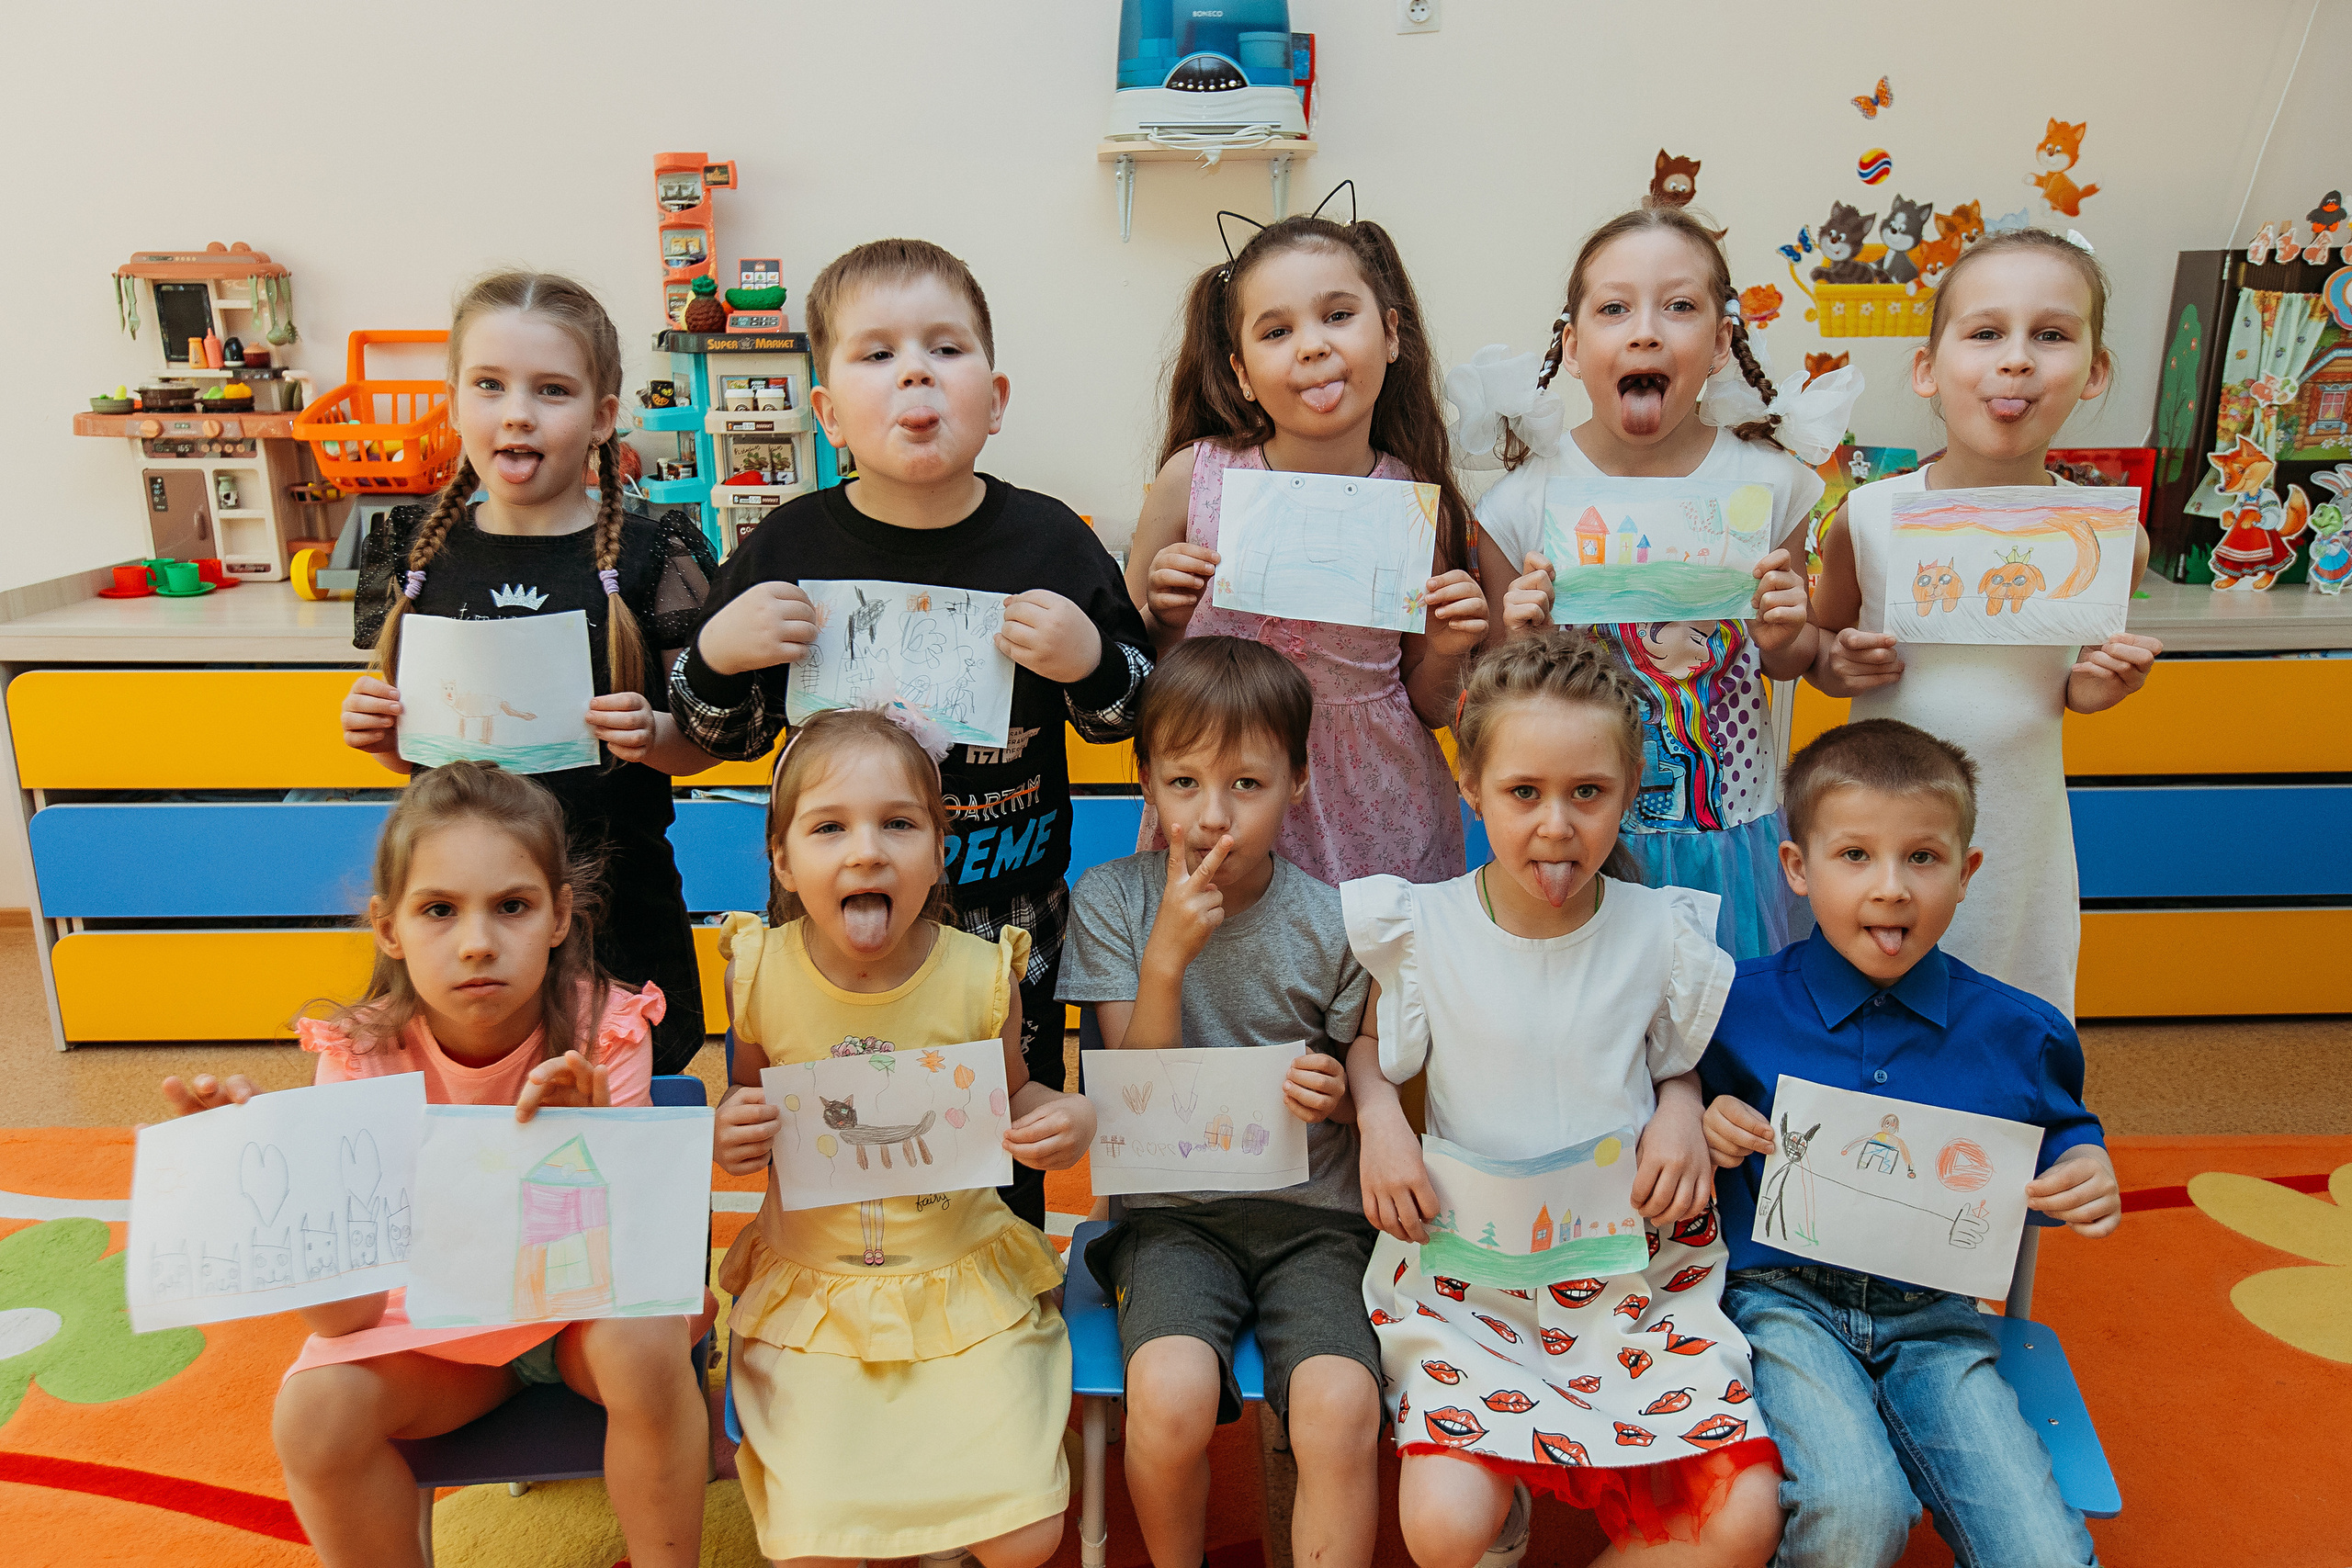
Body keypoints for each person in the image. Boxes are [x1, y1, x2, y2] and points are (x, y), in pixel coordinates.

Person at [672, 238, 1152, 1228]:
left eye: (946, 347)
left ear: (996, 395)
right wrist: (719, 653)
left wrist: (1089, 659)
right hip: (829, 924)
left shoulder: (1052, 541)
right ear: (828, 414)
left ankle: (1002, 1285)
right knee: (832, 1125)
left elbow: (1134, 714)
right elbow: (716, 729)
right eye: (876, 353)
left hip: (1004, 913)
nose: (916, 372)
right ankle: (833, 1288)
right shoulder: (786, 545)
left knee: (998, 1129)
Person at [160, 761, 707, 1568]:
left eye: (512, 906)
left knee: (645, 1346)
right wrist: (275, 1180)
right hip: (440, 1338)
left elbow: (626, 1275)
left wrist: (592, 1148)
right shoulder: (359, 1052)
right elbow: (343, 1321)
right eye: (439, 910)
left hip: (581, 1319)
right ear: (389, 927)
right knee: (313, 1412)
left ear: (561, 915)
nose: (478, 941)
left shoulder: (607, 1029)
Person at [1348, 629, 1781, 1568]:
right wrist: (1380, 1123)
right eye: (1523, 793)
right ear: (1469, 790)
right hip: (1470, 1284)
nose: (1556, 826)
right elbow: (1370, 1054)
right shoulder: (1420, 928)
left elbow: (1672, 1059)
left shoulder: (1658, 932)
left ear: (1628, 793)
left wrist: (1678, 1106)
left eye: (1587, 793)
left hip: (1633, 1280)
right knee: (1441, 1531)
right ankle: (1501, 1510)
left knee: (1741, 1525)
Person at [1699, 718, 2120, 1567]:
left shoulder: (2020, 1032)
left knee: (2041, 1553)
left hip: (1937, 1316)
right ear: (1797, 869)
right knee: (1859, 1514)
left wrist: (2086, 1168)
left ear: (1966, 874)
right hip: (1781, 1304)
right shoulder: (1731, 1007)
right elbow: (1672, 1122)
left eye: (1921, 858)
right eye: (1854, 855)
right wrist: (1709, 1124)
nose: (1890, 888)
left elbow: (2066, 1136)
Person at [707, 705, 1095, 1567]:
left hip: (961, 1277)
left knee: (1026, 1532)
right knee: (817, 1545)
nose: (867, 850)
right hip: (817, 1294)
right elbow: (746, 1103)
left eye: (899, 823)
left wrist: (1062, 1115)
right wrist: (731, 1130)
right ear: (782, 857)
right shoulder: (760, 971)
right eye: (829, 826)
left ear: (941, 848)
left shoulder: (980, 973)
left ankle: (941, 1528)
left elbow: (1018, 1092)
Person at [338, 271, 720, 1075]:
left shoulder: (659, 557)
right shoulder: (415, 550)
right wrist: (377, 736)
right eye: (489, 385)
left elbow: (708, 738)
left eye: (551, 389)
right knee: (466, 1110)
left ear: (601, 417)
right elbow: (424, 756)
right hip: (463, 924)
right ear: (453, 401)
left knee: (622, 1116)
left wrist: (655, 736)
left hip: (615, 913)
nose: (517, 411)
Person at [1060, 637, 1381, 1568]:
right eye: (1185, 782)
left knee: (1340, 1407)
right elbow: (1136, 1103)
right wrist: (1166, 957)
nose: (1212, 815)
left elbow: (1373, 1090)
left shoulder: (1333, 922)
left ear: (1300, 782)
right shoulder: (1114, 901)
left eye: (1247, 784)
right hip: (1172, 1224)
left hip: (1317, 1226)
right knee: (1166, 1398)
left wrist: (1337, 1096)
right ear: (1147, 783)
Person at [1471, 203, 1864, 959]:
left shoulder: (1771, 485)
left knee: (1724, 1042)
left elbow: (1787, 659)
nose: (1645, 330)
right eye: (1614, 308)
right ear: (1574, 346)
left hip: (1725, 832)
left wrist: (1787, 631)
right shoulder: (1519, 504)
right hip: (1573, 841)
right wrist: (1515, 641)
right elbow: (1490, 692)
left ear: (1721, 344)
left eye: (1679, 307)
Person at [1808, 227, 2163, 1014]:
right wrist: (1843, 663)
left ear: (2095, 369)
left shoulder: (2110, 540)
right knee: (1871, 1016)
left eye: (2051, 334)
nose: (2016, 359)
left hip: (2016, 831)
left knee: (2008, 1015)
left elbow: (2063, 680)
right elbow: (1820, 652)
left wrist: (2093, 689)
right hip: (1884, 831)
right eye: (1985, 333)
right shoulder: (1866, 517)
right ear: (1929, 369)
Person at [1127, 207, 1493, 886]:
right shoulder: (1193, 480)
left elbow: (1430, 706)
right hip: (1221, 798)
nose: (1312, 346)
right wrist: (1162, 618)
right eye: (1276, 330)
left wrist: (1447, 647)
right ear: (1240, 372)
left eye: (1337, 316)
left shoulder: (1416, 500)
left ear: (1390, 334)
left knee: (1372, 990)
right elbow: (1123, 687)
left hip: (1380, 815)